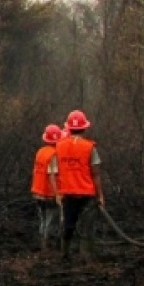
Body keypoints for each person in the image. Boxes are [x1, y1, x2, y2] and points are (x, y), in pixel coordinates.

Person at [50, 109, 105, 260]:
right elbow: (96, 174)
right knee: (87, 227)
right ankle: (87, 258)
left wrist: (57, 193)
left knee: (68, 225)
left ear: (68, 127)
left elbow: (55, 171)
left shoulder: (59, 147)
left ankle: (65, 254)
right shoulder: (89, 147)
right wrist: (100, 196)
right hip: (87, 194)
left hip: (67, 194)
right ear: (85, 128)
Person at [30, 124, 63, 251]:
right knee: (50, 220)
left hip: (37, 192)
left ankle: (42, 243)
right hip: (48, 194)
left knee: (43, 219)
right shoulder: (54, 154)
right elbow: (52, 175)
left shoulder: (40, 152)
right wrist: (57, 194)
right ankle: (46, 247)